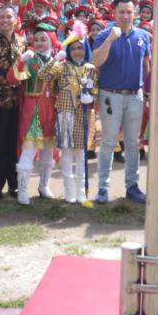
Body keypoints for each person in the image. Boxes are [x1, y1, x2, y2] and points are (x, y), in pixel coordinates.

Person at [91, 0, 152, 204]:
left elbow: (146, 65)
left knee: (133, 143)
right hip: (111, 95)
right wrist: (110, 40)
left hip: (135, 95)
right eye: (122, 12)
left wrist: (145, 91)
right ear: (114, 13)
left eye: (129, 12)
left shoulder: (143, 35)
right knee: (108, 142)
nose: (125, 16)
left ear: (134, 14)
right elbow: (96, 61)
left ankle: (132, 186)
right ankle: (103, 188)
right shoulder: (104, 35)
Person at [13, 22, 60, 207]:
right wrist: (21, 61)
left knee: (48, 151)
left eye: (43, 39)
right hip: (34, 109)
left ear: (51, 41)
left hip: (51, 110)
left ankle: (44, 186)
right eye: (36, 39)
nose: (39, 43)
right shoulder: (30, 60)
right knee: (29, 150)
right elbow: (13, 78)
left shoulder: (57, 62)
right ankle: (23, 190)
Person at [53, 34, 96, 206]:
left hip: (82, 115)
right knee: (67, 153)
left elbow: (95, 90)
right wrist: (55, 59)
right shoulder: (62, 66)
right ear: (68, 51)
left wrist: (90, 97)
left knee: (80, 154)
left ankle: (81, 193)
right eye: (73, 49)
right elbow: (45, 76)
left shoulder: (90, 68)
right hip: (65, 113)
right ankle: (69, 191)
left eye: (80, 48)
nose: (77, 51)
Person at [0, 5, 23, 199]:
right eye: (1, 17)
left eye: (9, 17)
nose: (5, 20)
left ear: (15, 20)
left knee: (14, 144)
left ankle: (14, 184)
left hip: (18, 101)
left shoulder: (21, 41)